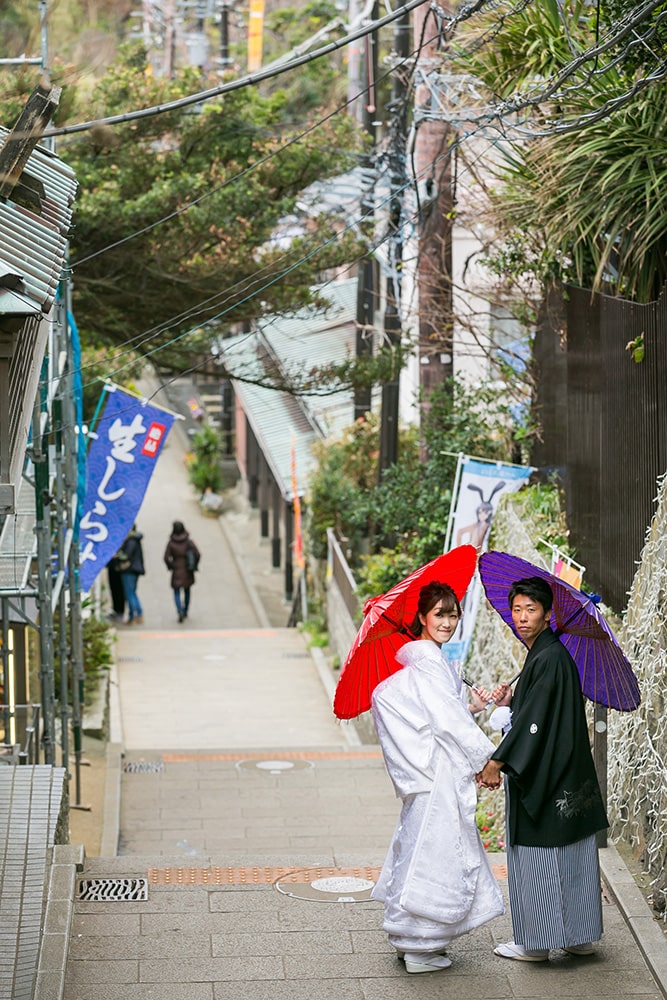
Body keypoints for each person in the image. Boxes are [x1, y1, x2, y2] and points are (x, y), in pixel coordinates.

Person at [370, 581, 505, 975]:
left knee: (419, 850)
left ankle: (409, 938)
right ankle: (419, 946)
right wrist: (486, 758)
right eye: (439, 614)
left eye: (453, 614)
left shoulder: (431, 661)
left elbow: (441, 714)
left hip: (427, 775)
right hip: (437, 776)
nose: (448, 622)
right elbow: (445, 722)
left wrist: (471, 705)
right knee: (435, 854)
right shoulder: (430, 662)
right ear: (423, 618)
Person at [478, 576, 608, 962]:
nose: (521, 617)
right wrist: (511, 701)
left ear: (548, 614)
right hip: (567, 773)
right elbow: (535, 711)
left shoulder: (549, 657)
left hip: (545, 779)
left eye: (530, 610)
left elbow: (534, 722)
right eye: (516, 609)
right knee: (573, 855)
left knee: (539, 858)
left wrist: (497, 761)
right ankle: (578, 935)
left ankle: (534, 943)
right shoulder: (547, 654)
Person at [163, 521, 201, 623]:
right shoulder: (188, 542)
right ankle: (185, 610)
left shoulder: (171, 543)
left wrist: (171, 566)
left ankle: (179, 610)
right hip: (187, 569)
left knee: (176, 592)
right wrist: (194, 564)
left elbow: (166, 557)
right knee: (187, 591)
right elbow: (197, 554)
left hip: (176, 569)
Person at [119, 524, 145, 625]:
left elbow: (126, 556)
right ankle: (137, 614)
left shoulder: (131, 541)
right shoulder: (135, 540)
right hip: (135, 569)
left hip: (129, 570)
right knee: (132, 592)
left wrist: (117, 556)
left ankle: (134, 615)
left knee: (130, 593)